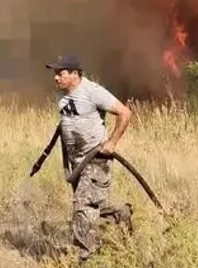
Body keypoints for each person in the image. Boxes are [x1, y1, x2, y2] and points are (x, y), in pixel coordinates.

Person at [46, 54, 134, 262]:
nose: (56, 78)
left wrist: (111, 143)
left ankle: (88, 258)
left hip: (95, 160)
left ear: (75, 74)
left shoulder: (92, 91)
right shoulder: (64, 96)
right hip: (77, 163)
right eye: (55, 74)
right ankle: (120, 213)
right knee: (93, 206)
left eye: (60, 73)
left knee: (83, 206)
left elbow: (125, 113)